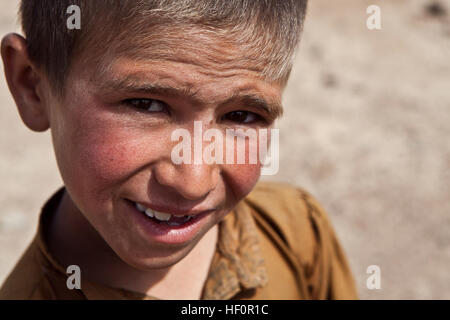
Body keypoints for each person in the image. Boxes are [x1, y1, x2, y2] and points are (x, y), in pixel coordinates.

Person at [0, 0, 357, 300]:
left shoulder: (295, 233)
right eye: (145, 104)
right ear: (32, 86)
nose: (193, 182)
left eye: (241, 115)